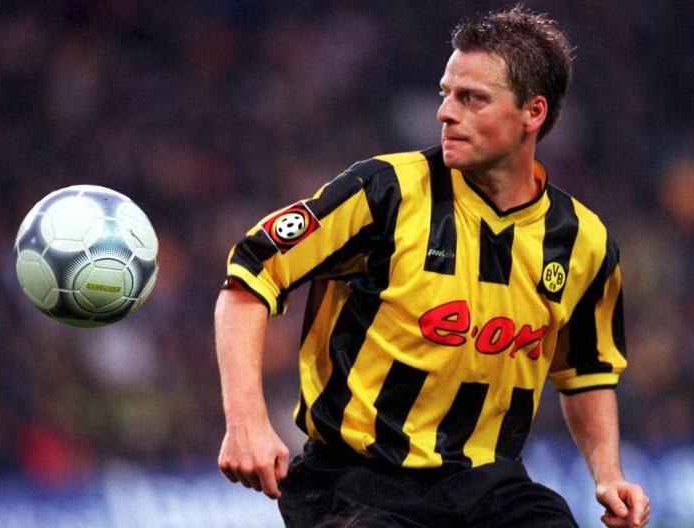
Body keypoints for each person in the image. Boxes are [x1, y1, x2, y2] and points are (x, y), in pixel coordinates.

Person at [215, 5, 651, 527]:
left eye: (471, 98)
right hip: (354, 481)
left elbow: (585, 373)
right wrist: (246, 421)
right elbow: (250, 276)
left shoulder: (584, 242)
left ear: (532, 113)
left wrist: (608, 474)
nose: (445, 112)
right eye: (446, 93)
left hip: (487, 488)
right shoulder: (384, 192)